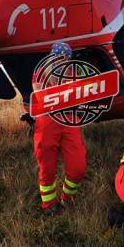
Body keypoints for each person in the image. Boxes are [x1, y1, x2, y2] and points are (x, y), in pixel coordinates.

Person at [32, 42, 87, 214]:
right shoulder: (40, 74)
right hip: (47, 123)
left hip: (70, 121)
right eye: (59, 58)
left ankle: (67, 198)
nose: (62, 61)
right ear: (51, 57)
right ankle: (48, 204)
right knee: (47, 167)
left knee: (78, 167)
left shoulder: (73, 74)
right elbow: (43, 100)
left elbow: (79, 96)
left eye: (66, 58)